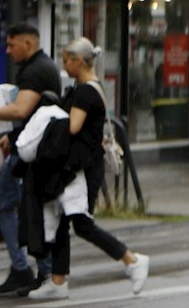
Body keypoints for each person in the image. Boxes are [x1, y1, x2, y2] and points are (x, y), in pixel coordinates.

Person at [24, 40, 147, 299]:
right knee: (63, 220)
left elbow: (72, 127)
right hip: (81, 166)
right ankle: (58, 282)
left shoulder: (85, 92)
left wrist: (43, 123)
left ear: (79, 61)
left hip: (81, 169)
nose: (64, 65)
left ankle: (132, 260)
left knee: (81, 223)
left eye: (66, 60)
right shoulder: (87, 88)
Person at [0, 26, 62, 294]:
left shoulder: (36, 71)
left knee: (16, 205)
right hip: (31, 147)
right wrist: (13, 136)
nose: (8, 50)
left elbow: (22, 109)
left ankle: (27, 269)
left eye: (12, 45)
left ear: (28, 43)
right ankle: (31, 269)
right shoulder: (38, 67)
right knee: (26, 206)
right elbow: (33, 114)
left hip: (33, 152)